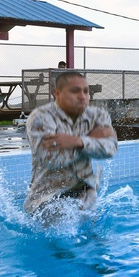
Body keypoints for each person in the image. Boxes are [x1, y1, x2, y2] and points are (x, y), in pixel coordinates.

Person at [24, 71, 118, 220]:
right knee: (63, 233)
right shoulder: (40, 118)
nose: (82, 96)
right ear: (58, 93)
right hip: (48, 198)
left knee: (96, 239)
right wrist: (91, 141)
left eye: (86, 91)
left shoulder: (97, 116)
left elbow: (110, 149)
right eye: (75, 91)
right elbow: (52, 159)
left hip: (84, 193)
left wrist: (77, 141)